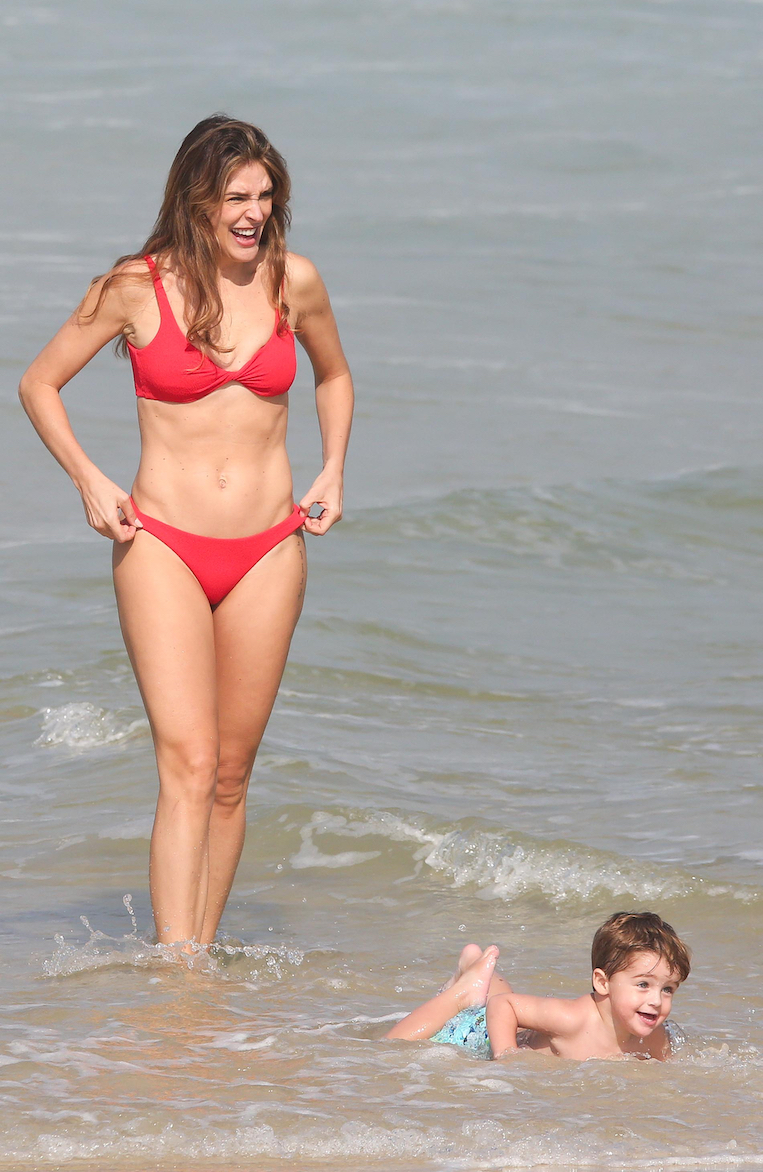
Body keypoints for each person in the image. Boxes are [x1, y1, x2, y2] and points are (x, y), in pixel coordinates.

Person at [19, 115, 354, 949]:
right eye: (236, 197)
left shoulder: (293, 281)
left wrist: (333, 468)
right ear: (196, 199)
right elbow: (38, 383)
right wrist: (89, 479)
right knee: (190, 762)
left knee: (231, 775)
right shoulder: (136, 287)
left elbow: (334, 375)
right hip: (161, 543)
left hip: (269, 547)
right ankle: (175, 973)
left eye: (265, 196)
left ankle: (197, 963)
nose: (254, 213)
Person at [385, 911, 690, 1061]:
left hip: (517, 1026)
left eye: (668, 989)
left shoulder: (654, 1038)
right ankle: (463, 990)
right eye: (643, 984)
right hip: (481, 1031)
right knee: (392, 1045)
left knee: (501, 997)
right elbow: (502, 1006)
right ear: (602, 982)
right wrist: (507, 1057)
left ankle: (474, 968)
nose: (656, 1000)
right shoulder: (573, 1019)